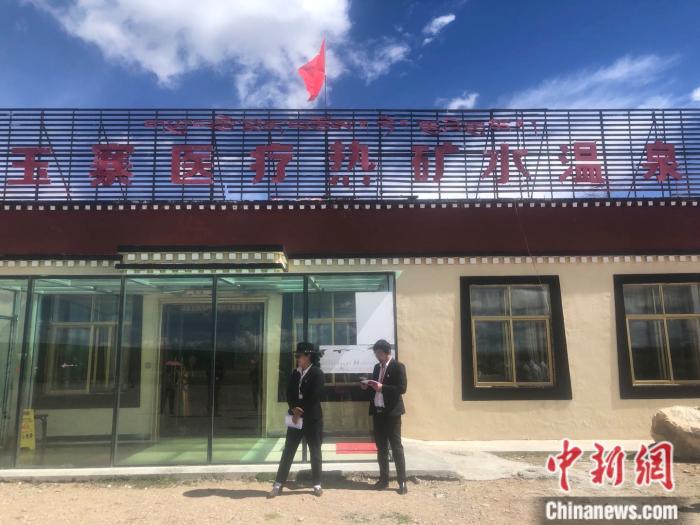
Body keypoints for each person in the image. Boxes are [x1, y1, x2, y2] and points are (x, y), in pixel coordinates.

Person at [268, 342, 325, 498]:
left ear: (308, 356)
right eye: (296, 355)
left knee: (315, 451)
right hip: (295, 417)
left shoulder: (317, 373)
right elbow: (288, 393)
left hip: (312, 418)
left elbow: (314, 395)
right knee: (288, 450)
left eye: (299, 355)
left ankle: (317, 484)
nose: (297, 358)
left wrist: (300, 411)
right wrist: (294, 408)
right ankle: (278, 484)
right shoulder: (295, 373)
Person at [360, 339, 408, 495]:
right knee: (381, 448)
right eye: (375, 353)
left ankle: (402, 481)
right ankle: (383, 479)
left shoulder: (398, 366)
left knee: (396, 447)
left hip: (392, 413)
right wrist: (367, 386)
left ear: (387, 352)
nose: (377, 356)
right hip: (378, 412)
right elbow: (375, 389)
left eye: (379, 353)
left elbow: (402, 388)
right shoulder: (376, 367)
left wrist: (383, 387)